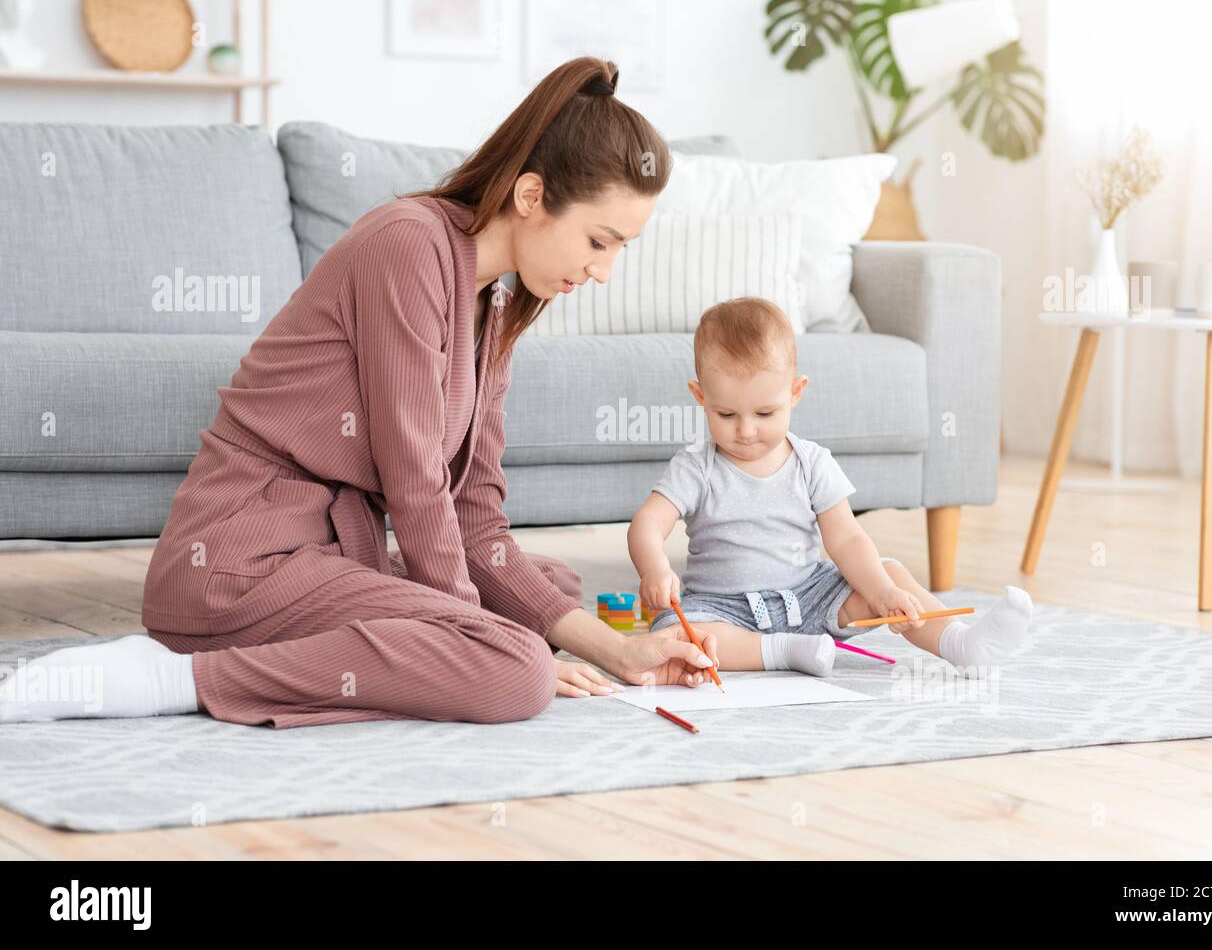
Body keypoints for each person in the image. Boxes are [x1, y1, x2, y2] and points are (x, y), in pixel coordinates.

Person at [0, 57, 720, 728]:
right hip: (240, 566)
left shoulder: (497, 303)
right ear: (532, 195)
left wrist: (613, 650)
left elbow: (473, 515)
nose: (604, 270)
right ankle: (173, 680)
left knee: (545, 585)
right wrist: (483, 639)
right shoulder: (407, 245)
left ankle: (473, 647)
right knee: (516, 666)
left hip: (336, 558)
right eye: (600, 240)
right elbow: (415, 481)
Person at [628, 297, 1033, 678]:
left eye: (766, 412)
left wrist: (881, 592)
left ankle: (960, 644)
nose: (746, 430)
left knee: (888, 573)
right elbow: (647, 524)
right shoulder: (696, 467)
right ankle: (787, 652)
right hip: (723, 607)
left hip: (807, 596)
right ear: (700, 397)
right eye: (726, 413)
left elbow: (847, 539)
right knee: (675, 634)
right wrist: (655, 567)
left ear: (795, 393)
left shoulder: (812, 462)